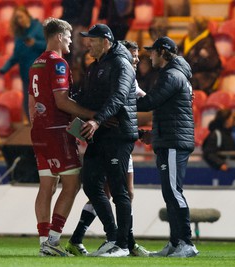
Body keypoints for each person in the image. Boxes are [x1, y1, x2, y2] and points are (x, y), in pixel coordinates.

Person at [66, 39, 148, 257]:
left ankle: (122, 241)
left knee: (121, 191)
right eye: (133, 54)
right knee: (107, 190)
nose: (136, 59)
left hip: (119, 137)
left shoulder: (125, 76)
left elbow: (139, 105)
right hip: (108, 135)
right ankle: (119, 239)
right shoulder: (109, 71)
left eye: (137, 56)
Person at [28, 17, 95, 257]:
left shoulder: (36, 63)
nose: (70, 43)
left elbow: (32, 101)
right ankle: (54, 239)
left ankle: (44, 241)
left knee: (46, 185)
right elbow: (62, 101)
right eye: (68, 37)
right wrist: (95, 115)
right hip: (57, 131)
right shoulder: (58, 63)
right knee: (72, 183)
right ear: (58, 37)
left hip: (39, 132)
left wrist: (36, 125)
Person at [136, 36, 198, 257]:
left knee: (173, 191)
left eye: (152, 51)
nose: (150, 55)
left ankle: (186, 243)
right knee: (170, 192)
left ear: (162, 52)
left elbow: (150, 102)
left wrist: (121, 101)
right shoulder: (175, 74)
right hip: (169, 138)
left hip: (174, 141)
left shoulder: (172, 75)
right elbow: (169, 109)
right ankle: (175, 242)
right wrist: (156, 134)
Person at [0, 5, 46, 121]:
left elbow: (48, 46)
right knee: (28, 101)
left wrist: (35, 43)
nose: (20, 20)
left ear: (27, 14)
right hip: (26, 73)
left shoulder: (38, 28)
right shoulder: (19, 35)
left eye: (21, 17)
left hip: (40, 72)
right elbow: (16, 54)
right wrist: (5, 68)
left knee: (42, 100)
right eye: (17, 19)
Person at [178, 16, 221, 95]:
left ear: (197, 28)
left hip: (204, 78)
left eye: (190, 24)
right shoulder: (186, 40)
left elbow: (210, 63)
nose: (188, 27)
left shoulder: (207, 43)